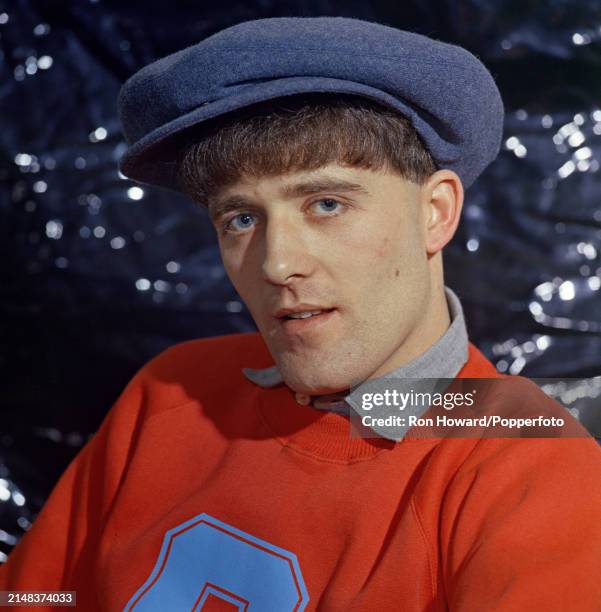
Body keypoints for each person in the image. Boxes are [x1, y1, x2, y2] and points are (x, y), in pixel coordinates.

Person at [2, 16, 601, 611]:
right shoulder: (173, 388)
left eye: (327, 203)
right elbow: (44, 593)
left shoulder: (525, 460)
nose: (276, 263)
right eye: (241, 218)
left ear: (436, 213)